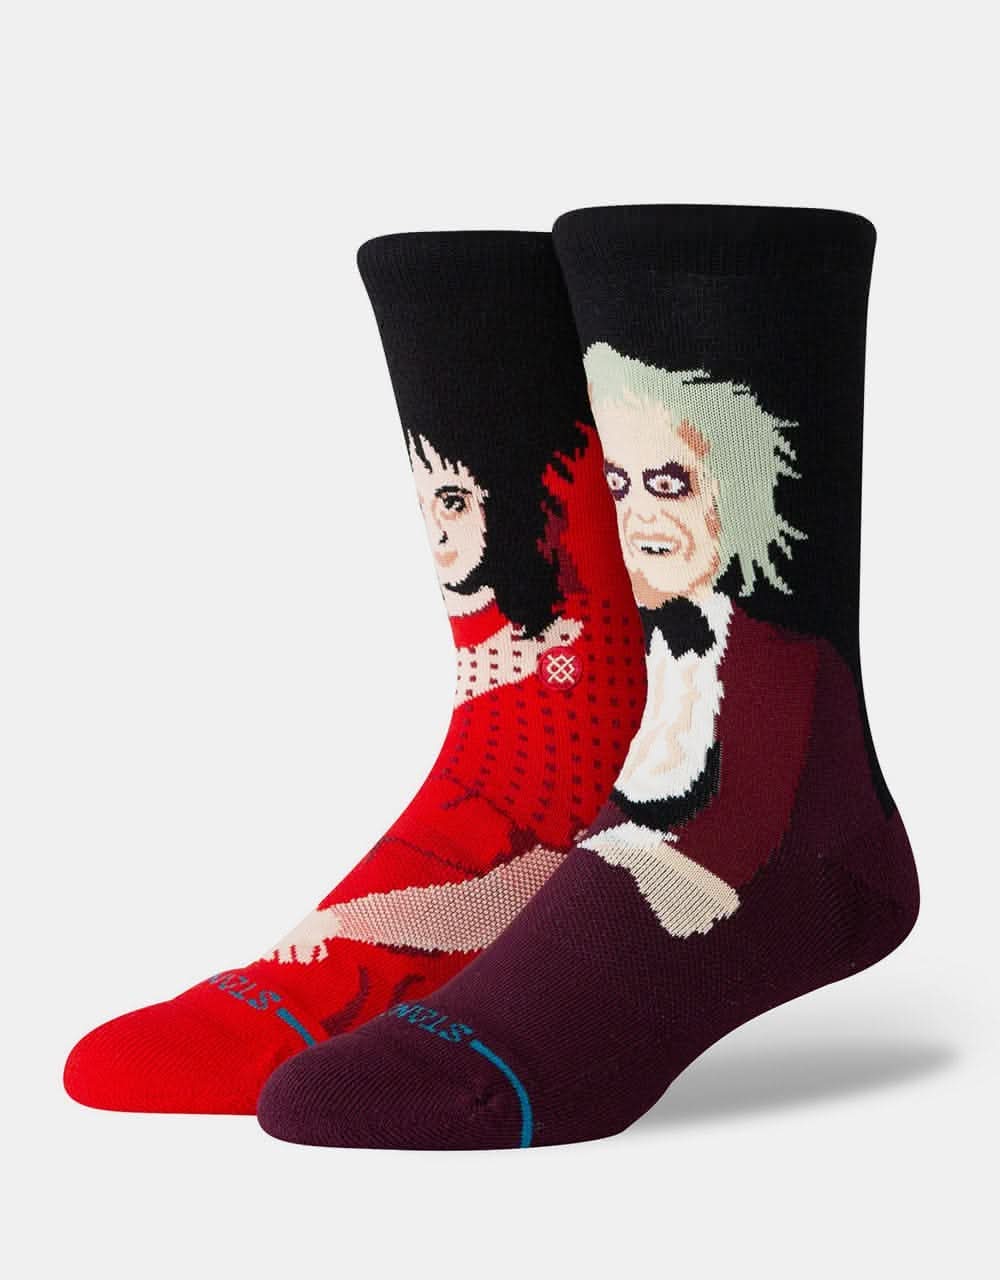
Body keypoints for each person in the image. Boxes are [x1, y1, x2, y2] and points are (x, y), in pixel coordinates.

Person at [578, 344, 881, 937]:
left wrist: (611, 873)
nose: (638, 517)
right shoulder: (651, 658)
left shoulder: (784, 666)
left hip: (739, 886)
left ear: (735, 492)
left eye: (669, 485)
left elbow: (742, 849)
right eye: (618, 485)